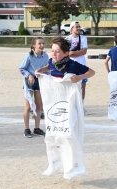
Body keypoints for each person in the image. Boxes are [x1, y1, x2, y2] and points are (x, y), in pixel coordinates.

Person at [35, 36, 95, 179]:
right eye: (52, 51)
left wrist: (78, 78)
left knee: (68, 135)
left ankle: (72, 167)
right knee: (53, 134)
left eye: (57, 52)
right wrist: (41, 70)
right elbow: (49, 67)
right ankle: (54, 163)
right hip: (55, 105)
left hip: (70, 105)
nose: (54, 54)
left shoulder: (72, 65)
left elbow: (91, 72)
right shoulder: (51, 61)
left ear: (66, 53)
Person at [19, 37, 48, 138]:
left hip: (40, 83)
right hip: (30, 83)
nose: (41, 45)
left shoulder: (46, 56)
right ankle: (27, 129)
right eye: (39, 43)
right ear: (33, 45)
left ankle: (37, 128)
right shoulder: (29, 56)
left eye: (43, 43)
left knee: (39, 106)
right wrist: (29, 75)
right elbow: (21, 69)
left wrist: (44, 74)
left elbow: (48, 69)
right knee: (28, 106)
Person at [65, 21, 89, 115]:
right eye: (76, 27)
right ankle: (71, 106)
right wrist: (77, 52)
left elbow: (84, 51)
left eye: (79, 27)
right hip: (71, 66)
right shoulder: (67, 39)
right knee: (71, 86)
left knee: (83, 86)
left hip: (82, 65)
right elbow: (68, 53)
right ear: (71, 29)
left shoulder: (83, 38)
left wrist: (74, 53)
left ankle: (81, 106)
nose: (78, 28)